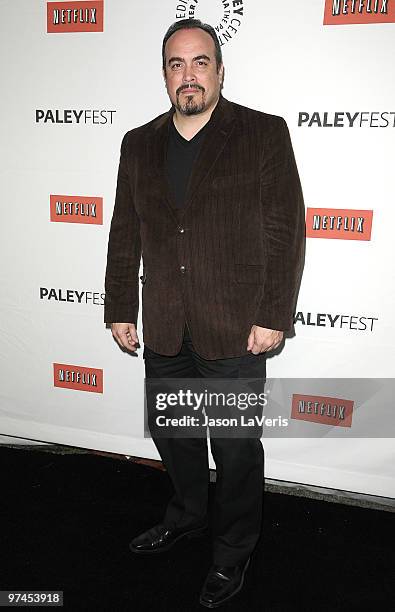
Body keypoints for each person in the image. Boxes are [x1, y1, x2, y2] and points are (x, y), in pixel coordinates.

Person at [104, 18, 305, 608]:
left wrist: (273, 313)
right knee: (176, 435)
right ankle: (188, 514)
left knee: (237, 449)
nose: (187, 75)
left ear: (220, 69)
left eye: (199, 62)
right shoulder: (137, 143)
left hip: (235, 327)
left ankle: (233, 549)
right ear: (165, 76)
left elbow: (284, 232)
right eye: (175, 64)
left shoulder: (262, 133)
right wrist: (120, 304)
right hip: (165, 321)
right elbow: (124, 232)